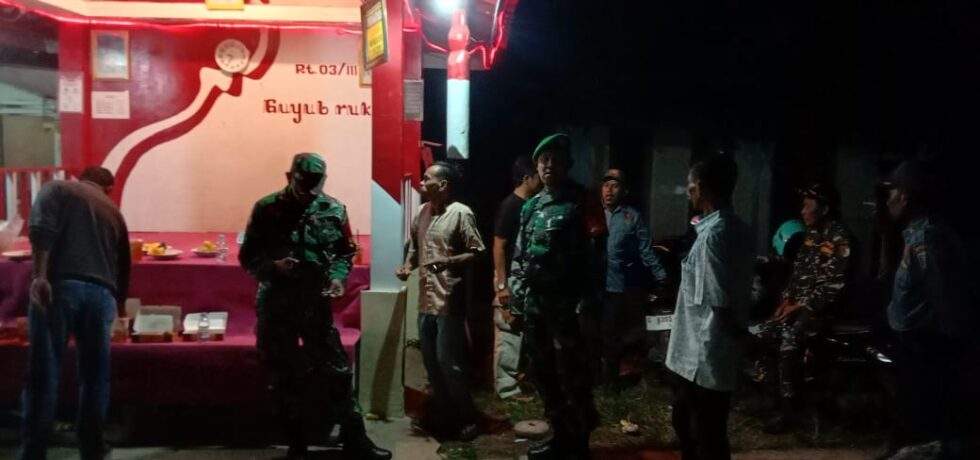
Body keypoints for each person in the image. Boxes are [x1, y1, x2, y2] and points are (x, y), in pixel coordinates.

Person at [239, 153, 390, 460]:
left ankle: (356, 440)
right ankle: (297, 446)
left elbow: (344, 253)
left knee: (337, 372)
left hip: (314, 303)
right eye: (302, 186)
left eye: (314, 187)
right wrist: (274, 267)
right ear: (289, 177)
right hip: (277, 303)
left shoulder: (333, 209)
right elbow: (248, 257)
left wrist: (337, 278)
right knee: (283, 374)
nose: (308, 194)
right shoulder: (267, 208)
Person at [20, 166, 130, 460]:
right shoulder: (113, 211)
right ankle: (92, 447)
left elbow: (42, 228)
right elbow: (123, 265)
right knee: (95, 377)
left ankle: (34, 451)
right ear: (108, 188)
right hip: (102, 295)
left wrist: (39, 276)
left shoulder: (58, 189)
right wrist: (119, 307)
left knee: (45, 372)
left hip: (60, 287)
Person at [877, 160, 978, 460]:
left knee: (923, 429)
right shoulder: (913, 234)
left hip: (926, 347)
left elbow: (944, 298)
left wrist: (947, 353)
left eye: (891, 192)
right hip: (915, 345)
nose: (887, 200)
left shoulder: (927, 238)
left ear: (905, 196)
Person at [509, 133, 601, 459]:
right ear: (536, 166)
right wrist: (516, 302)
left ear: (567, 164)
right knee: (543, 373)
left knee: (574, 375)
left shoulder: (583, 202)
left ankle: (580, 443)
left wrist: (588, 304)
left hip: (568, 308)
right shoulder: (531, 207)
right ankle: (561, 436)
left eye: (556, 159)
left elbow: (596, 257)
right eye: (543, 160)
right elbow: (520, 257)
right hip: (536, 307)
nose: (549, 165)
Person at [665, 154, 752, 460]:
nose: (688, 193)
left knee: (704, 433)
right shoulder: (736, 228)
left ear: (702, 188)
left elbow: (719, 301)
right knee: (695, 425)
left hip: (703, 352)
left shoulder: (714, 236)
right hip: (705, 350)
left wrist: (741, 339)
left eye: (691, 187)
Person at [750, 183, 853, 433]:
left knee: (789, 343)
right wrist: (786, 301)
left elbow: (834, 287)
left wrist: (800, 306)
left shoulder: (838, 239)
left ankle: (791, 411)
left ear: (824, 209)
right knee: (761, 334)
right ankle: (771, 400)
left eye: (808, 206)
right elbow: (797, 276)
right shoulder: (811, 236)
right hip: (798, 309)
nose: (803, 211)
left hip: (820, 312)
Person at [395, 161, 485, 440]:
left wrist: (447, 261)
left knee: (450, 363)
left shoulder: (461, 213)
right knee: (431, 363)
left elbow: (477, 251)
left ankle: (468, 418)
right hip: (426, 299)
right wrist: (407, 266)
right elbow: (414, 247)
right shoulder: (421, 212)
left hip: (448, 300)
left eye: (427, 178)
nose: (421, 182)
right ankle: (445, 416)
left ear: (443, 185)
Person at [596, 168, 667, 387]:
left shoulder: (632, 217)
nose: (609, 190)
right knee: (591, 332)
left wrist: (661, 276)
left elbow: (646, 250)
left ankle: (611, 383)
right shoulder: (591, 213)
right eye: (606, 185)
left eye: (615, 185)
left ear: (624, 190)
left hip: (618, 285)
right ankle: (593, 377)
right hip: (592, 284)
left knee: (614, 334)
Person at [491, 156, 542, 399]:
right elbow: (499, 246)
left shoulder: (529, 205)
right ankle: (506, 388)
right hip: (510, 277)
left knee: (520, 327)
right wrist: (502, 285)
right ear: (526, 178)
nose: (541, 179)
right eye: (537, 175)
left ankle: (519, 379)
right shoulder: (511, 205)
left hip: (523, 276)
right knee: (508, 328)